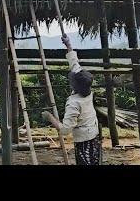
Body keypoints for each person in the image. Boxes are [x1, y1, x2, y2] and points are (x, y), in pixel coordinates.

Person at [42, 35, 101, 165]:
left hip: (84, 139)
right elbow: (75, 64)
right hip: (94, 133)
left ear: (75, 85)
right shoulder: (86, 87)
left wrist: (50, 117)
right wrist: (68, 45)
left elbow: (65, 130)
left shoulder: (74, 103)